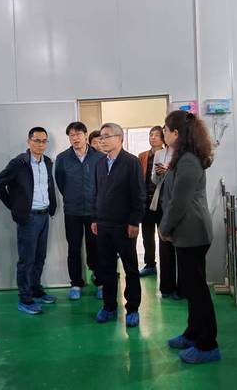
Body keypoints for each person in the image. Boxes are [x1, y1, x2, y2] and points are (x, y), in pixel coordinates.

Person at [159, 111, 220, 364]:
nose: (163, 133)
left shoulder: (188, 161)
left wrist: (164, 228)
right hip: (187, 232)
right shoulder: (182, 157)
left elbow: (179, 202)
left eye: (165, 129)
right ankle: (193, 333)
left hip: (192, 232)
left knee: (197, 291)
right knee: (191, 288)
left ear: (176, 133)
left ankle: (208, 345)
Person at [0, 127, 58, 315]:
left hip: (44, 216)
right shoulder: (19, 163)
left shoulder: (47, 162)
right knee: (27, 260)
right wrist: (15, 206)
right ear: (29, 142)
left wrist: (52, 206)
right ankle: (25, 299)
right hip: (29, 218)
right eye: (37, 140)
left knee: (39, 257)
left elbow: (48, 186)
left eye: (44, 141)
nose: (41, 144)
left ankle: (36, 290)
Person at [91, 123, 145, 327]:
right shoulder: (99, 163)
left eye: (107, 136)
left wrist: (134, 221)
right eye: (101, 136)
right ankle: (109, 307)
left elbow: (138, 194)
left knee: (130, 268)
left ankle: (132, 308)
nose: (102, 140)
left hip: (124, 225)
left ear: (120, 138)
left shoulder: (131, 162)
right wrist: (95, 218)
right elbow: (95, 193)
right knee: (106, 268)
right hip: (103, 224)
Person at [55, 122, 104, 300]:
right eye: (71, 135)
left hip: (93, 211)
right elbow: (60, 182)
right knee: (74, 248)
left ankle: (100, 282)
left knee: (96, 248)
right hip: (72, 211)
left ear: (85, 135)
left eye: (78, 134)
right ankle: (76, 283)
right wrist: (71, 196)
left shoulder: (99, 157)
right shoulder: (62, 158)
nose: (75, 138)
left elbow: (102, 183)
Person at [151, 144, 183, 299]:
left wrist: (169, 171)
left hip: (178, 203)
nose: (165, 134)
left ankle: (182, 288)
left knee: (181, 247)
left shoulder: (184, 153)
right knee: (164, 246)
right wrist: (159, 173)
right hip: (163, 203)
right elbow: (154, 179)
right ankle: (166, 286)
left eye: (167, 132)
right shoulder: (159, 153)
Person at [137, 126, 165, 276]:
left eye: (156, 135)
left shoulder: (168, 155)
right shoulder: (142, 156)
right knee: (147, 235)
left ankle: (166, 265)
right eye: (150, 135)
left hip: (161, 202)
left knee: (163, 234)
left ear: (163, 138)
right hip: (146, 201)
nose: (152, 137)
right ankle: (150, 264)